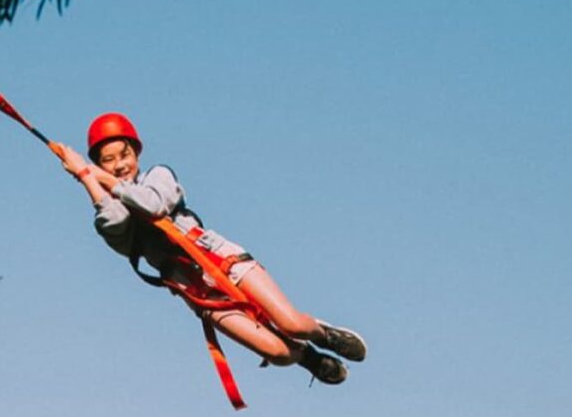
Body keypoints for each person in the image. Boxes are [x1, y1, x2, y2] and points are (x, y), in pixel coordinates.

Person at [57, 112, 366, 385]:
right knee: (278, 353)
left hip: (221, 258)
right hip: (193, 288)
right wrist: (88, 180)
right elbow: (114, 224)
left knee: (292, 324)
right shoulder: (112, 209)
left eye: (123, 155)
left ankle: (324, 335)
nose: (119, 165)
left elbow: (153, 205)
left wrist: (99, 176)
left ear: (136, 153)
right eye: (107, 161)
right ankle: (306, 358)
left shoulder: (159, 176)